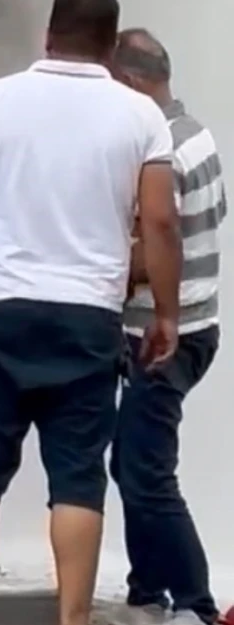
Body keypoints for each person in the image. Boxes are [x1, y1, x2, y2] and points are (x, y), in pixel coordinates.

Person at [0, 0, 184, 624]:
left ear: (49, 34)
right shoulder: (141, 115)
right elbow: (158, 220)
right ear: (108, 45)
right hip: (85, 319)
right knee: (76, 479)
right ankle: (72, 619)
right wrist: (168, 316)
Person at [109, 28, 228, 625]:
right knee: (130, 461)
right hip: (195, 326)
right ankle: (146, 591)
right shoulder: (196, 134)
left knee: (147, 471)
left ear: (131, 84)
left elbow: (157, 246)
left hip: (165, 335)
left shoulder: (163, 152)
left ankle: (195, 607)